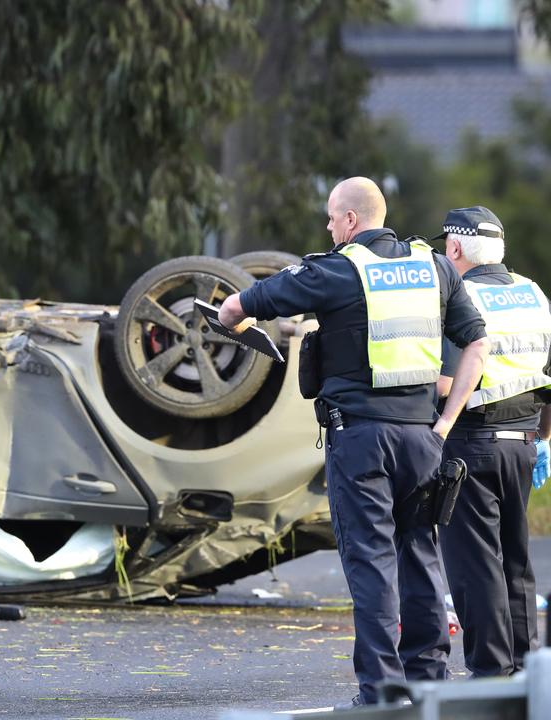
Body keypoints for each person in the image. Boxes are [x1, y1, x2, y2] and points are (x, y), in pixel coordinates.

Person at [218, 177, 489, 707]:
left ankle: (383, 695)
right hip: (422, 439)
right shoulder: (432, 266)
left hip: (362, 439)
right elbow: (476, 342)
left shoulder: (337, 269)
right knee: (420, 556)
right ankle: (430, 685)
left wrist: (230, 319)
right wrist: (444, 425)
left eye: (330, 217)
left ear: (348, 221)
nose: (327, 226)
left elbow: (238, 307)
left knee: (370, 562)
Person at [433, 206, 548, 677]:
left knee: (475, 564)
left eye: (445, 244)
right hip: (523, 442)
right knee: (516, 562)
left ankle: (490, 675)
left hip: (470, 444)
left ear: (456, 248)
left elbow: (445, 381)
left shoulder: (460, 299)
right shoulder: (532, 293)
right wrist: (544, 439)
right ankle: (526, 671)